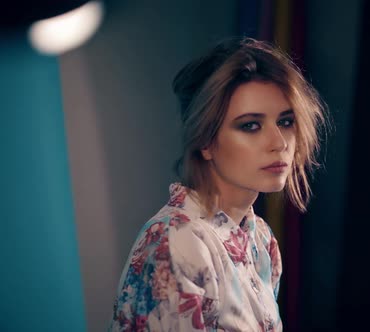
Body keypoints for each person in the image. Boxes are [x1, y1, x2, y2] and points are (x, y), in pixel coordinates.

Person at [109, 37, 328, 331]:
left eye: (286, 121)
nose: (279, 143)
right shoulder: (176, 240)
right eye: (251, 125)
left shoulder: (261, 240)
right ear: (206, 141)